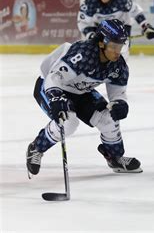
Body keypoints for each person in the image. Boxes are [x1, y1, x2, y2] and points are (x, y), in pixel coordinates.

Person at [26, 19, 142, 176]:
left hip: (81, 91)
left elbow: (118, 92)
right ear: (101, 42)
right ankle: (36, 148)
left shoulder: (118, 66)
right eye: (114, 46)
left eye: (120, 46)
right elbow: (54, 77)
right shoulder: (83, 54)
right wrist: (55, 97)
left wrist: (120, 103)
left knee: (109, 119)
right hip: (50, 86)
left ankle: (115, 157)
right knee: (68, 122)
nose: (117, 51)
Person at [77, 0, 154, 59]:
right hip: (101, 29)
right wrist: (91, 35)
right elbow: (83, 22)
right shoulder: (90, 4)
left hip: (122, 27)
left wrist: (145, 26)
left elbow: (135, 11)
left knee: (121, 53)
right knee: (98, 56)